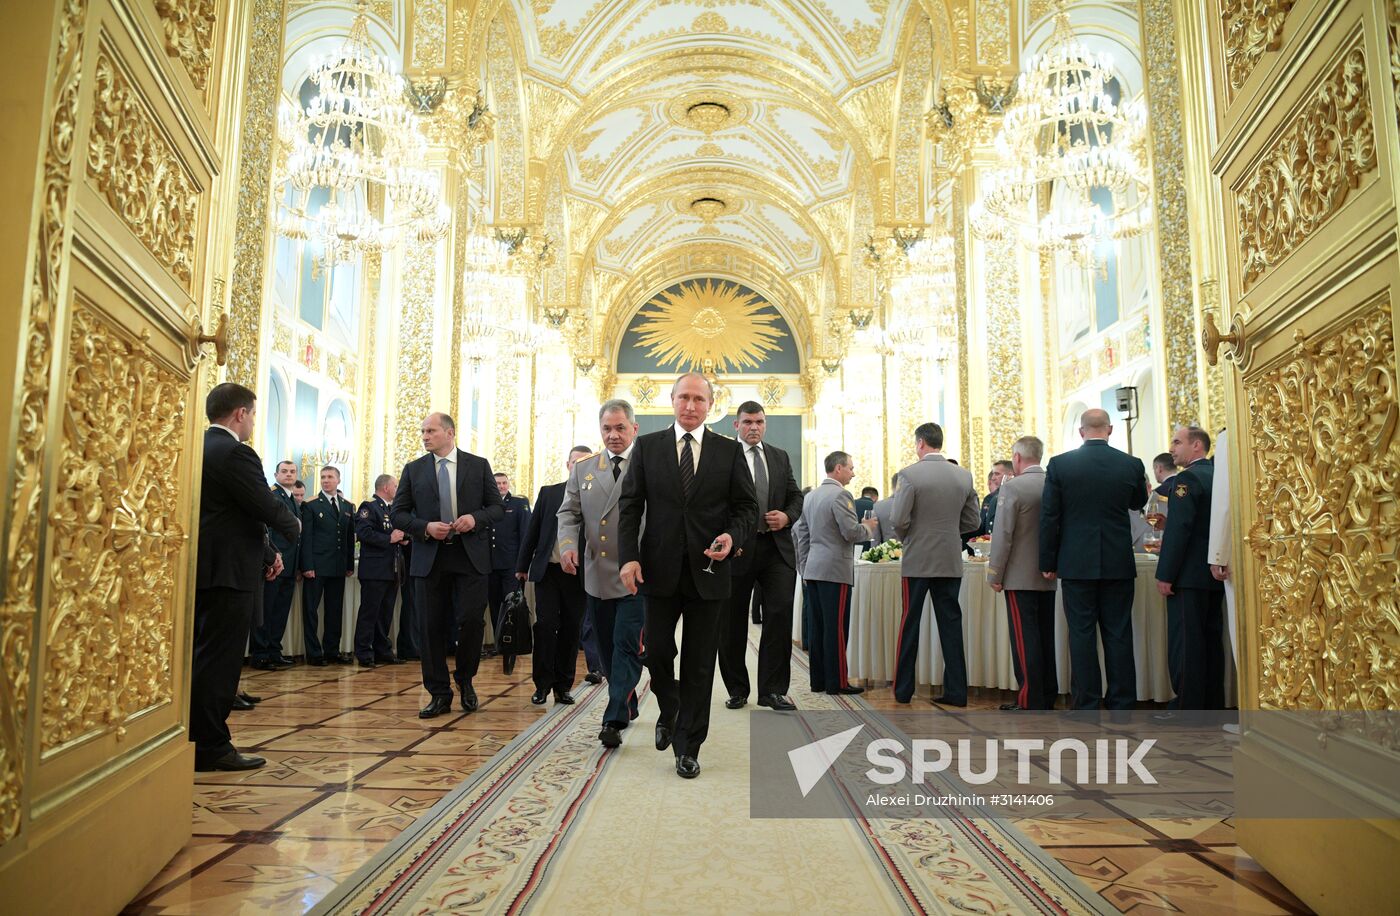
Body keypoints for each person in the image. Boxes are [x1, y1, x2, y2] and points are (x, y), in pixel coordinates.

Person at [618, 374, 757, 779]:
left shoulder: (729, 452)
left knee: (699, 663)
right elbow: (629, 507)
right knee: (657, 651)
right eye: (684, 397)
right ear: (672, 400)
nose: (691, 405)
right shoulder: (647, 447)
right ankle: (670, 705)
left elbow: (747, 507)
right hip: (658, 571)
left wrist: (733, 535)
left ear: (710, 404)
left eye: (699, 399)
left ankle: (688, 745)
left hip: (709, 572)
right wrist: (628, 558)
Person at [192, 383, 300, 771]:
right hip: (229, 572)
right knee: (219, 662)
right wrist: (294, 528)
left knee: (202, 657)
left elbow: (235, 511)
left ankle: (194, 740)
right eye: (253, 414)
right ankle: (211, 747)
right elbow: (262, 504)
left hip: (203, 568)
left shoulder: (196, 444)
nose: (253, 421)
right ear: (240, 413)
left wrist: (268, 553)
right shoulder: (235, 452)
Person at [391, 412, 504, 718]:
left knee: (471, 621)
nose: (425, 436)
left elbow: (496, 508)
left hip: (470, 557)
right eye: (423, 431)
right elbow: (398, 514)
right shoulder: (413, 470)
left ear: (450, 433)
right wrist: (424, 527)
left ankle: (465, 679)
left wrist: (475, 518)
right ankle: (439, 693)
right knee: (430, 628)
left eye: (431, 431)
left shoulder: (477, 466)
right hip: (431, 557)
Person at [1039, 408, 1149, 710]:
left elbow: (1050, 516)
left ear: (1081, 432)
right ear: (1110, 430)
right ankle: (1122, 703)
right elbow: (1138, 501)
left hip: (1076, 562)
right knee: (1118, 633)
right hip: (1117, 560)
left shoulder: (1061, 465)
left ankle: (1086, 704)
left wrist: (1048, 561)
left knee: (1082, 634)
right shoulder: (1131, 464)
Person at [559, 400, 645, 748]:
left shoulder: (648, 466)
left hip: (636, 575)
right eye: (607, 429)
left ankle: (613, 718)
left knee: (626, 645)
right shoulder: (584, 469)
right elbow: (568, 513)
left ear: (634, 429)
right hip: (597, 574)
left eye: (620, 428)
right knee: (608, 651)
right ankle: (627, 699)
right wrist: (567, 545)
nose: (613, 435)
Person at [718, 401, 803, 712]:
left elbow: (796, 496)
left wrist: (788, 516)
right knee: (731, 623)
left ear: (765, 424)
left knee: (779, 616)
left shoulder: (779, 456)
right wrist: (731, 536)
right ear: (736, 426)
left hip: (776, 549)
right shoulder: (724, 456)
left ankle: (772, 691)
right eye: (747, 422)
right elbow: (714, 502)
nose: (754, 427)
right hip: (738, 549)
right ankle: (737, 689)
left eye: (759, 422)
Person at [890, 422, 981, 707]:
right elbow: (973, 521)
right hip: (950, 558)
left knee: (910, 623)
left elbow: (898, 520)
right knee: (951, 624)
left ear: (920, 443)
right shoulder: (963, 476)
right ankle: (956, 691)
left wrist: (911, 537)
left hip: (918, 559)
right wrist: (951, 533)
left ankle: (903, 690)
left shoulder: (909, 475)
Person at [793, 451, 878, 696]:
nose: (853, 472)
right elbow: (851, 532)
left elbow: (800, 535)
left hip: (815, 569)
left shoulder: (811, 496)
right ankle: (838, 682)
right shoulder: (841, 494)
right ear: (838, 468)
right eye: (851, 468)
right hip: (835, 569)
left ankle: (818, 680)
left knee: (819, 628)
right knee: (836, 628)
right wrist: (868, 527)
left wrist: (804, 567)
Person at [1156, 426, 1225, 710]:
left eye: (1177, 442)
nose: (1172, 449)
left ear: (1197, 446)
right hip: (1212, 572)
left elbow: (1181, 529)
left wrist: (1165, 574)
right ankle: (1211, 703)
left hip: (1187, 575)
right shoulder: (1218, 476)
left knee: (1186, 644)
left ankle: (1187, 705)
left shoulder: (1188, 478)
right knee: (1211, 641)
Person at [517, 447, 592, 706]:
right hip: (548, 571)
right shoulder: (549, 493)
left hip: (579, 575)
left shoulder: (596, 495)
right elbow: (533, 530)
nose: (578, 467)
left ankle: (563, 686)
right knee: (546, 626)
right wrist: (522, 564)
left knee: (572, 629)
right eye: (575, 462)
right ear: (568, 464)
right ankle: (542, 685)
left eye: (585, 463)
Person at [986, 437, 1056, 711]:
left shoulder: (1013, 488)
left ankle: (1029, 698)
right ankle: (1047, 694)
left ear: (1016, 457)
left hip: (1018, 575)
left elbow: (1003, 536)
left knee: (1024, 639)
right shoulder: (1053, 484)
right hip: (1048, 573)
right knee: (1045, 636)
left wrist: (995, 573)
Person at [299, 466, 355, 665]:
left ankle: (332, 650)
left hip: (338, 566)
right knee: (311, 611)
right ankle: (314, 653)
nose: (326, 480)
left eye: (330, 477)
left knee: (334, 610)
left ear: (338, 480)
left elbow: (349, 537)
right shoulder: (311, 504)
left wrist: (349, 564)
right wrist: (307, 565)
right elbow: (306, 538)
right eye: (323, 477)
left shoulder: (347, 506)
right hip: (316, 565)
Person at [354, 474, 408, 668]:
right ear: (386, 487)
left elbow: (396, 531)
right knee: (370, 612)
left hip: (391, 570)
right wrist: (389, 539)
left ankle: (382, 651)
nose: (397, 489)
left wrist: (403, 537)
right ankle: (364, 652)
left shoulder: (392, 509)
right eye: (395, 486)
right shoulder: (369, 507)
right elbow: (363, 533)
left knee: (385, 613)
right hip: (374, 570)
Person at [250, 460, 299, 670]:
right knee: (266, 610)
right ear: (276, 474)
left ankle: (273, 650)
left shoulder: (293, 499)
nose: (289, 475)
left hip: (290, 563)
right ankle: (260, 653)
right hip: (274, 562)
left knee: (280, 611)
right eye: (284, 472)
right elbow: (267, 530)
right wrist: (271, 558)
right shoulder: (271, 495)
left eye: (292, 472)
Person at [487, 473, 531, 670]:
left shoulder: (518, 504)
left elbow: (525, 535)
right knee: (495, 605)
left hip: (511, 565)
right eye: (498, 484)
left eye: (504, 483)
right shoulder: (486, 504)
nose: (502, 486)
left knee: (512, 605)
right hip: (490, 564)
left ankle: (513, 642)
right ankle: (499, 642)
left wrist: (523, 564)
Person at [1207, 428, 1237, 683]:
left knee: (1240, 632)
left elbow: (1224, 504)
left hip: (1236, 554)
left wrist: (1218, 553)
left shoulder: (1229, 437)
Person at [396, 538, 420, 661]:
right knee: (411, 605)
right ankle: (410, 647)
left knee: (416, 606)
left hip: (418, 559)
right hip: (410, 559)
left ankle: (414, 645)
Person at [978, 460, 1013, 535]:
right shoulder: (989, 498)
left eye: (997, 474)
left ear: (1009, 475)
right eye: (993, 474)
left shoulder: (1014, 496)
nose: (993, 478)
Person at [872, 475, 898, 544]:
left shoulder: (878, 506)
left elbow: (875, 539)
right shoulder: (916, 505)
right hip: (914, 553)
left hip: (888, 552)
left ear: (892, 487)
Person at [853, 486, 878, 551]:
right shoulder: (876, 506)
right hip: (869, 545)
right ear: (875, 497)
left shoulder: (851, 503)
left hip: (852, 544)